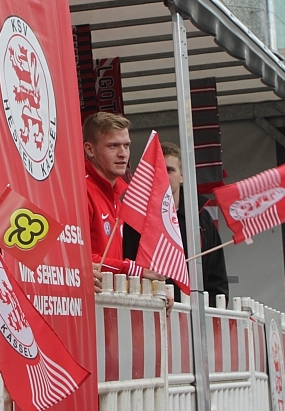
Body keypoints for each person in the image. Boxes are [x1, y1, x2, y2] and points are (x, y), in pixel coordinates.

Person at [82, 112, 165, 293]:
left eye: (126, 145)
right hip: (87, 301)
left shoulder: (117, 194)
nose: (123, 154)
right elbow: (76, 258)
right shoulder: (81, 191)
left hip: (109, 298)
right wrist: (134, 270)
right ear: (90, 150)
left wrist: (149, 289)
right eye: (113, 146)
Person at [162, 141, 229, 306]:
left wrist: (211, 310)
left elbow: (217, 277)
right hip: (154, 312)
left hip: (197, 313)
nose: (164, 176)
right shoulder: (139, 219)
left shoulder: (200, 217)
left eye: (169, 170)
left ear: (182, 176)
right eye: (159, 170)